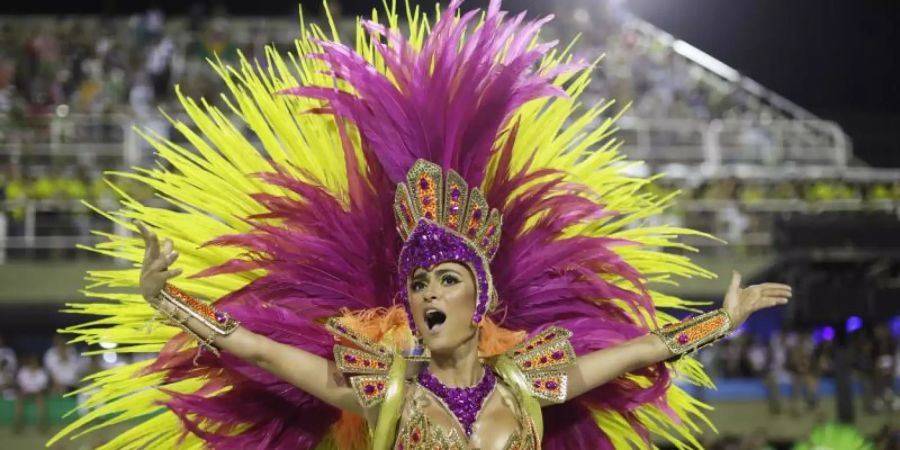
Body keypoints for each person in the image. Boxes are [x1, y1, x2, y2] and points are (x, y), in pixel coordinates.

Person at [49, 1, 792, 449]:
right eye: (418, 283)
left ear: (481, 297)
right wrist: (164, 303)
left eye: (445, 277)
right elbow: (264, 351)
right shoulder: (383, 385)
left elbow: (639, 352)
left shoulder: (535, 378)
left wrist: (719, 322)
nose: (428, 292)